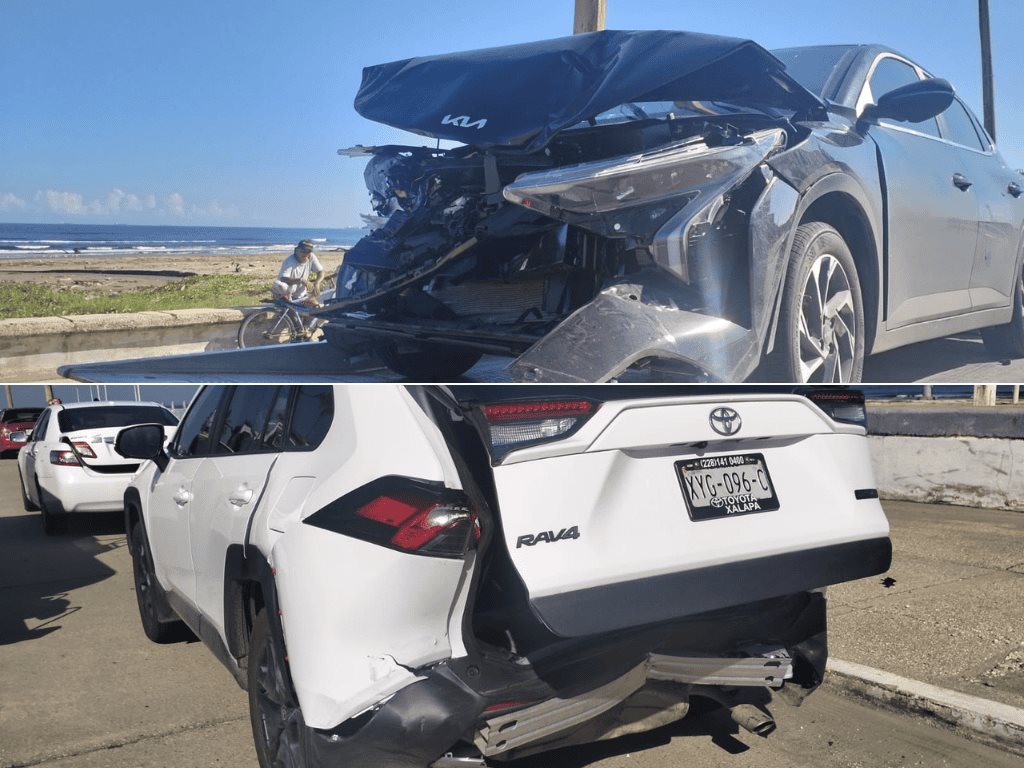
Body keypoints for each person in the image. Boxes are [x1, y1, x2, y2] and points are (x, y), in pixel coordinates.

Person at [273, 240, 324, 306]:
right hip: (287, 295)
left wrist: (317, 283)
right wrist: (300, 280)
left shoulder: (311, 257)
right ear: (296, 250)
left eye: (308, 251)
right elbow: (283, 279)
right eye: (303, 251)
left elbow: (321, 272)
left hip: (302, 296)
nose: (305, 253)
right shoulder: (289, 262)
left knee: (317, 307)